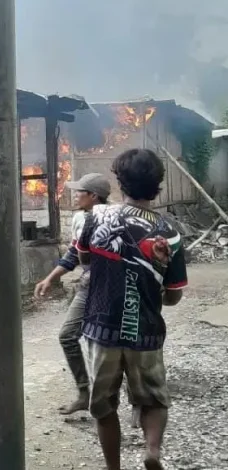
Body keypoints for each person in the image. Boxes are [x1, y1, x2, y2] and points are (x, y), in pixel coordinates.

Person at [76, 148, 187, 470]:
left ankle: (114, 467)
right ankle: (152, 451)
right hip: (145, 332)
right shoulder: (170, 233)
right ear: (158, 184)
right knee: (154, 399)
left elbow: (84, 259)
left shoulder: (95, 217)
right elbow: (174, 296)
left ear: (120, 182)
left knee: (104, 407)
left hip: (101, 328)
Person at [34, 173, 111, 414]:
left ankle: (125, 402)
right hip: (89, 286)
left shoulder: (112, 220)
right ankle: (84, 394)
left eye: (79, 191)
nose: (75, 195)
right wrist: (49, 279)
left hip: (111, 289)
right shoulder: (82, 219)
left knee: (111, 343)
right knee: (68, 335)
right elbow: (72, 256)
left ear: (93, 196)